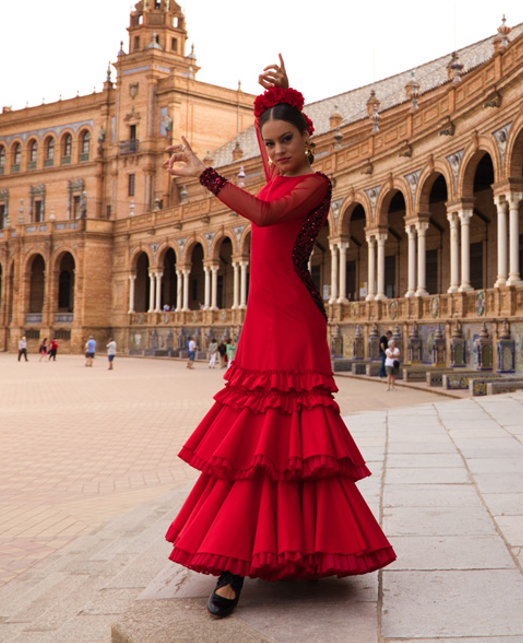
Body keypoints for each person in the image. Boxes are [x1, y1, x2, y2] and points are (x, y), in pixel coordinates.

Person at [162, 55, 394, 618]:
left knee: (289, 443)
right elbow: (265, 188)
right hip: (259, 321)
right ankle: (236, 558)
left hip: (293, 320)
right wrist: (267, 100)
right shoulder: (276, 179)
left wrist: (206, 176)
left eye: (286, 138)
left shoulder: (315, 184)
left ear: (306, 137)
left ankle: (250, 563)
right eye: (269, 143)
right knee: (251, 446)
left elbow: (266, 218)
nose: (278, 150)